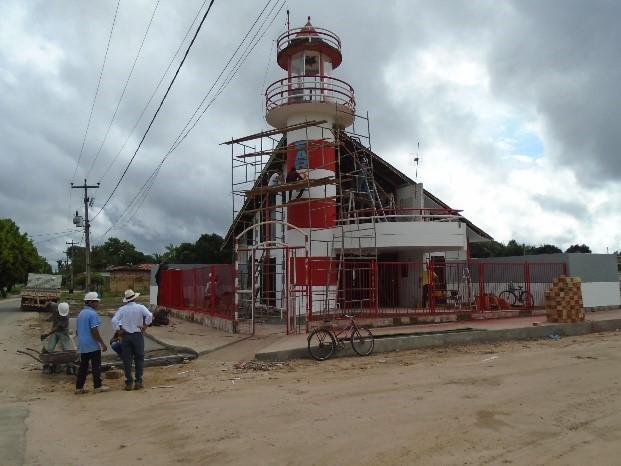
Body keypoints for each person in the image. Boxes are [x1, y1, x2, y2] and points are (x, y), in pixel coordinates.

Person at [111, 289, 153, 391]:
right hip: (137, 335)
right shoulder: (140, 307)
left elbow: (114, 320)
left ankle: (129, 382)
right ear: (135, 298)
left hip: (126, 336)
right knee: (139, 358)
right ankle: (138, 381)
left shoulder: (122, 309)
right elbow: (150, 315)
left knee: (127, 360)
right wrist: (145, 326)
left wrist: (119, 330)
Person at [75, 292, 109, 394]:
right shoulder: (92, 314)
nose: (97, 304)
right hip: (92, 345)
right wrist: (102, 343)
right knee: (96, 366)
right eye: (96, 302)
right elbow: (94, 331)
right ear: (90, 302)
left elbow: (77, 331)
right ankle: (97, 386)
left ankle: (79, 388)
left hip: (82, 345)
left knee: (83, 366)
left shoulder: (81, 313)